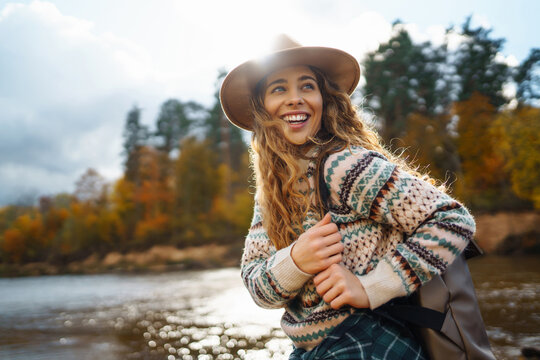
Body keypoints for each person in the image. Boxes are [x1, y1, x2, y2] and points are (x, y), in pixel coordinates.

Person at [219, 35, 476, 359]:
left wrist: (370, 286)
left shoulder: (344, 165)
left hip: (368, 342)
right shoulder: (272, 192)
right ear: (262, 106)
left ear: (325, 99)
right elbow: (256, 285)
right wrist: (296, 261)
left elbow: (452, 220)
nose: (295, 98)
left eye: (307, 86)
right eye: (279, 88)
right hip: (310, 349)